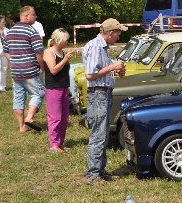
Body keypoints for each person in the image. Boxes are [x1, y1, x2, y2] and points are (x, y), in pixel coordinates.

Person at [83, 18, 128, 184]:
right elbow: (90, 74)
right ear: (110, 33)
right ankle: (93, 174)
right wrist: (112, 67)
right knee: (98, 135)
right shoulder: (95, 46)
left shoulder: (102, 47)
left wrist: (117, 72)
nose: (118, 37)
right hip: (98, 95)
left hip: (103, 94)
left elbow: (101, 71)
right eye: (117, 33)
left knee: (103, 134)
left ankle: (100, 170)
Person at [3, 6, 46, 132]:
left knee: (18, 98)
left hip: (16, 71)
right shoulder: (32, 32)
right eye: (34, 14)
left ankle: (21, 126)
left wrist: (14, 61)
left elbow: (6, 51)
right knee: (38, 93)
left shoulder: (10, 32)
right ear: (26, 16)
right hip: (31, 70)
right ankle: (29, 117)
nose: (35, 16)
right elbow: (39, 52)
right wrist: (41, 66)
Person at [44, 28, 74, 153]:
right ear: (59, 40)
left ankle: (60, 143)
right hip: (53, 89)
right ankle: (54, 144)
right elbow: (53, 70)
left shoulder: (62, 52)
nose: (67, 42)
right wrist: (65, 59)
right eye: (65, 40)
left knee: (64, 117)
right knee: (55, 117)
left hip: (63, 88)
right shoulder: (49, 52)